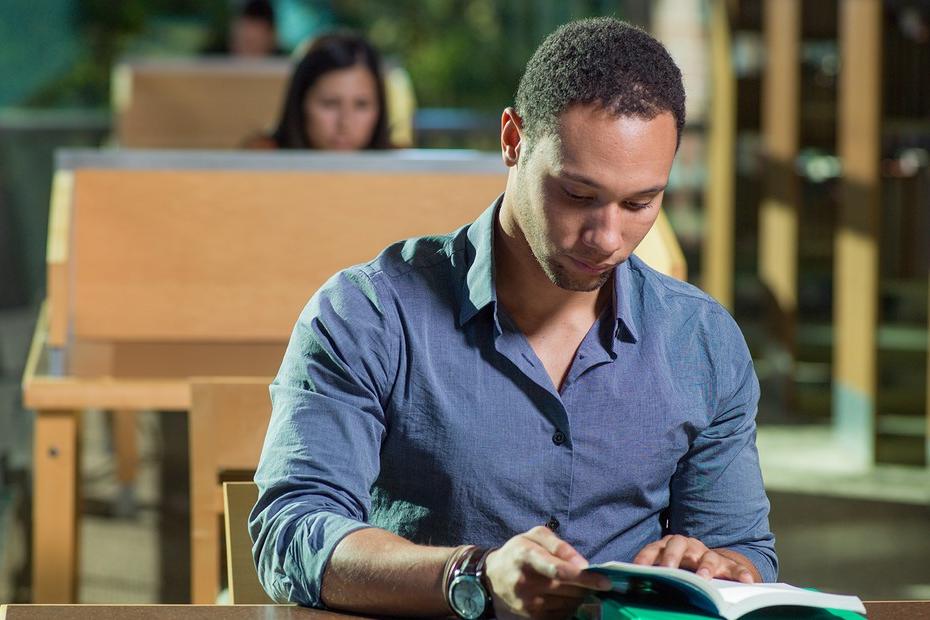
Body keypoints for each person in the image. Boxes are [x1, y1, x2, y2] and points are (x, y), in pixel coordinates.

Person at [251, 17, 777, 619]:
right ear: (513, 140)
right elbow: (289, 537)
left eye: (639, 203)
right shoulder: (368, 314)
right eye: (578, 195)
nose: (607, 237)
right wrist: (473, 575)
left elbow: (744, 549)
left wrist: (716, 566)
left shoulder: (702, 340)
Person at [247, 32, 391, 150]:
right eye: (330, 104)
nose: (345, 123)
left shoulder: (404, 168)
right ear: (300, 102)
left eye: (361, 105)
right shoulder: (259, 160)